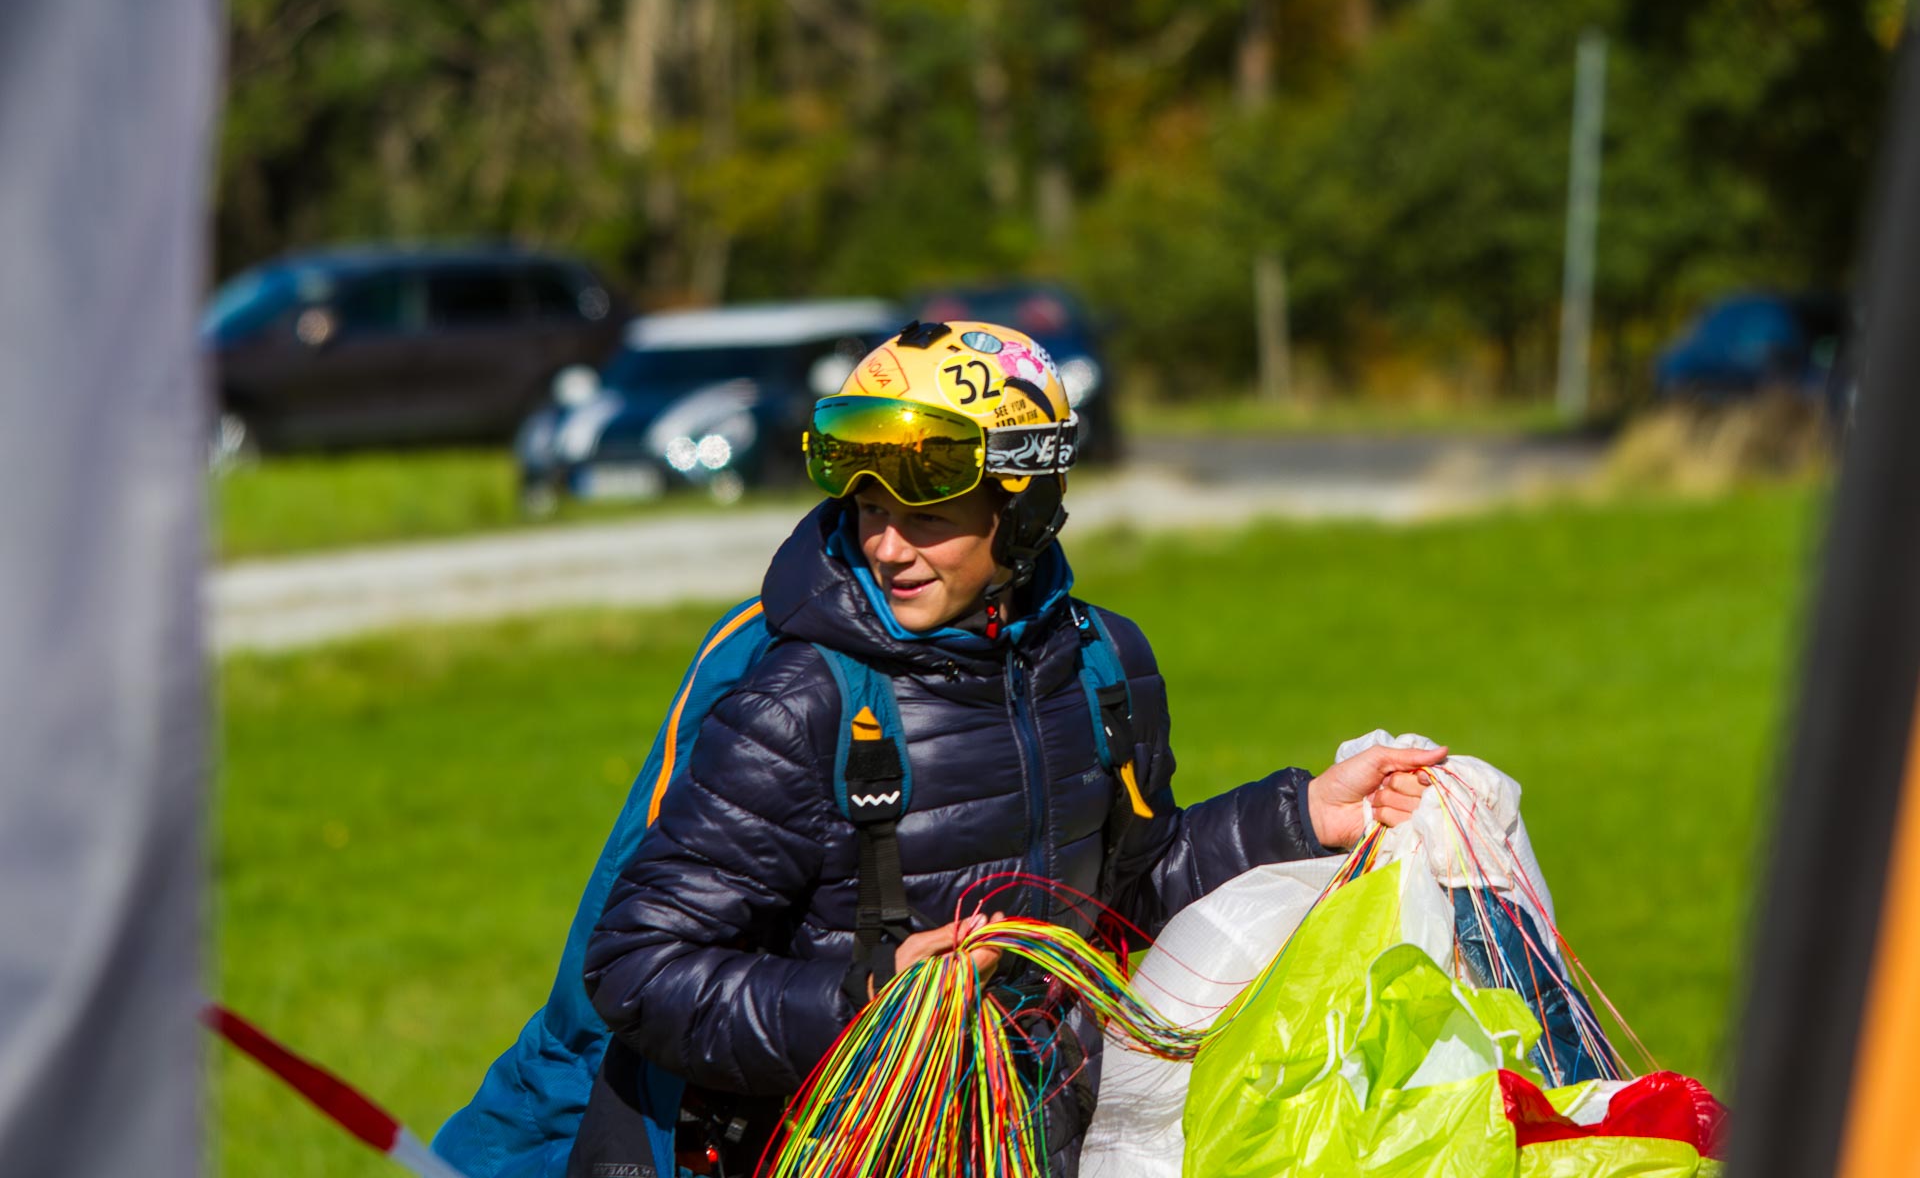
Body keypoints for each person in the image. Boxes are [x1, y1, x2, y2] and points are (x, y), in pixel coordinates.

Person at [572, 320, 1445, 1176]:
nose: (887, 548)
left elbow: (1122, 890)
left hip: (1042, 1141)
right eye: (870, 511)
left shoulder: (1102, 666)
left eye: (926, 517)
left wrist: (1304, 814)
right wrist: (871, 998)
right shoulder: (802, 705)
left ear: (1022, 510)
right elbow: (636, 968)